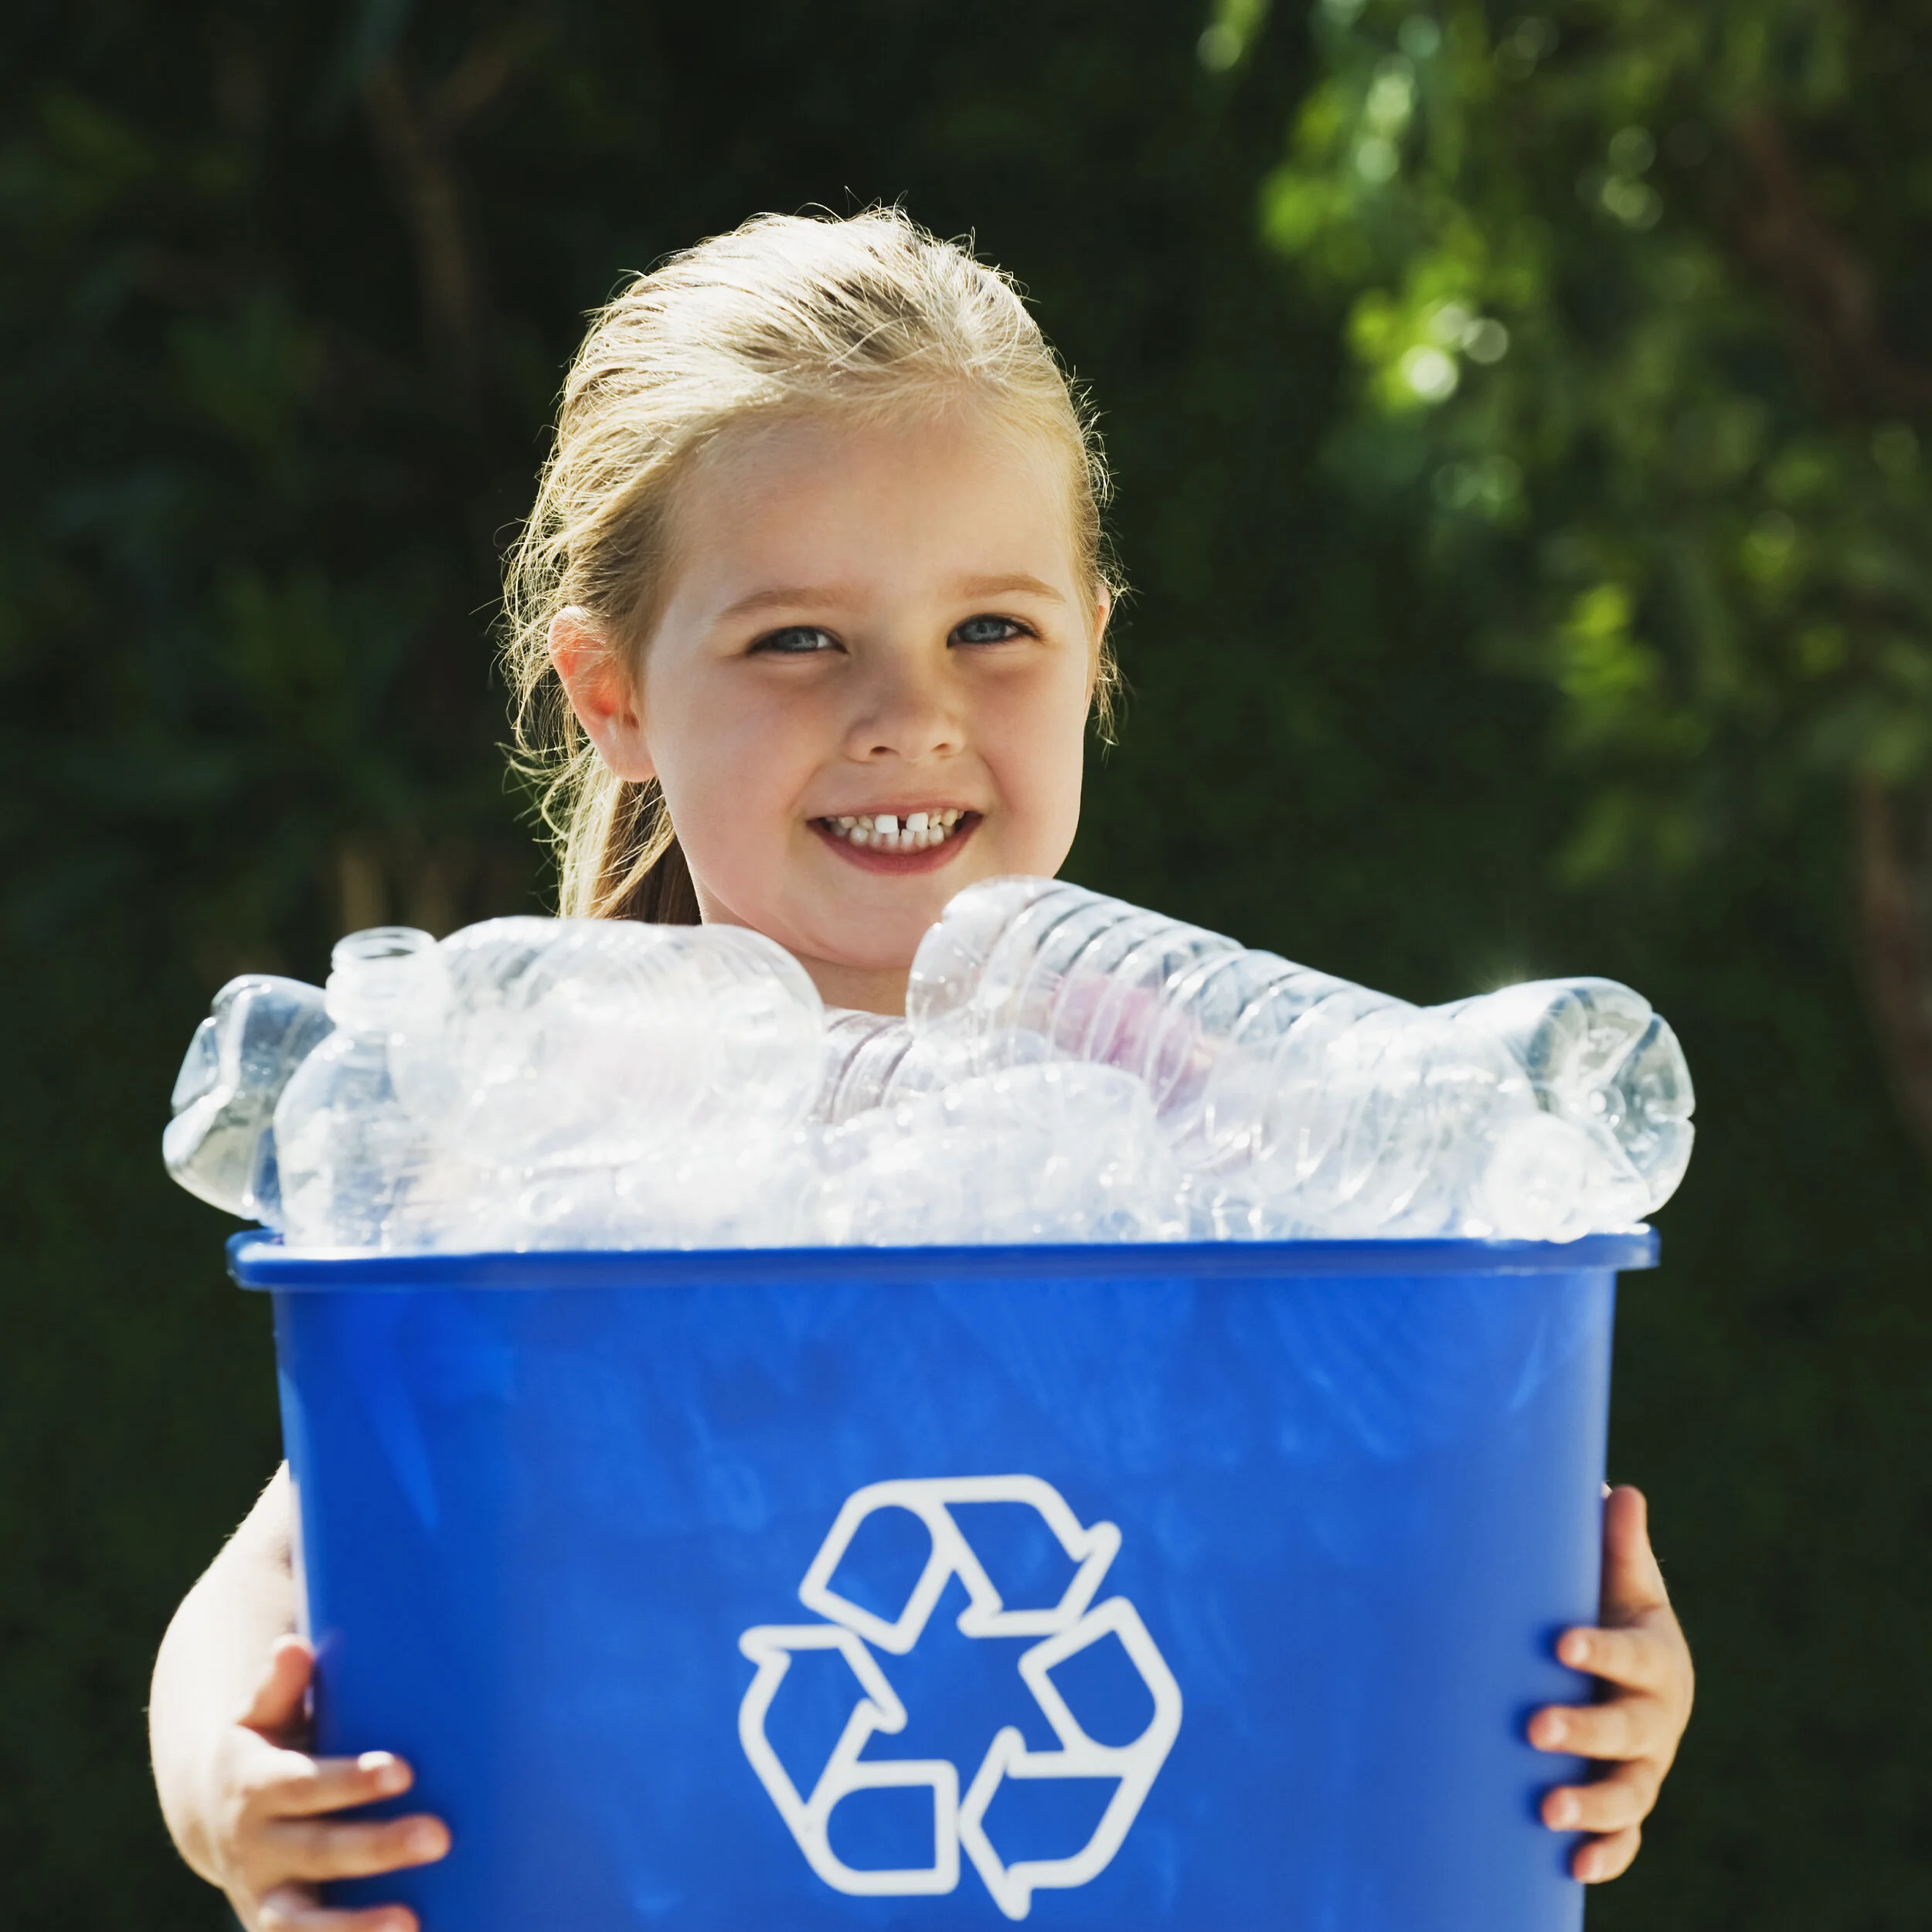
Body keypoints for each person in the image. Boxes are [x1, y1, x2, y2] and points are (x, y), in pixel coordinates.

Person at [148, 209, 1696, 1932]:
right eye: (798, 639)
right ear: (613, 694)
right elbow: (291, 1563)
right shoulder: (546, 1128)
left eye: (993, 629)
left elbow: (1400, 1515)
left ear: (1095, 645)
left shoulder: (1230, 1111)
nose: (909, 712)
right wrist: (231, 1785)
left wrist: (1608, 1677)